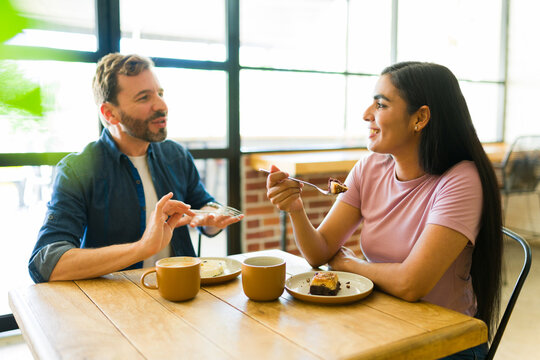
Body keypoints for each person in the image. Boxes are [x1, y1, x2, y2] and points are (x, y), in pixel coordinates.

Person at [265, 61, 502, 359]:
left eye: (380, 104)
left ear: (420, 117)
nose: (367, 115)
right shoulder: (370, 167)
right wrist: (296, 209)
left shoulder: (461, 180)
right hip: (384, 322)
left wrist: (349, 265)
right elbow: (320, 251)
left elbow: (411, 284)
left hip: (446, 341)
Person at [29, 53, 243, 283]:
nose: (162, 106)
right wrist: (142, 248)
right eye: (144, 98)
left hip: (183, 292)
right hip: (113, 309)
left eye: (160, 94)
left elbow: (202, 205)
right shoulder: (77, 170)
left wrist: (212, 218)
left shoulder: (176, 155)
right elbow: (47, 263)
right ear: (109, 113)